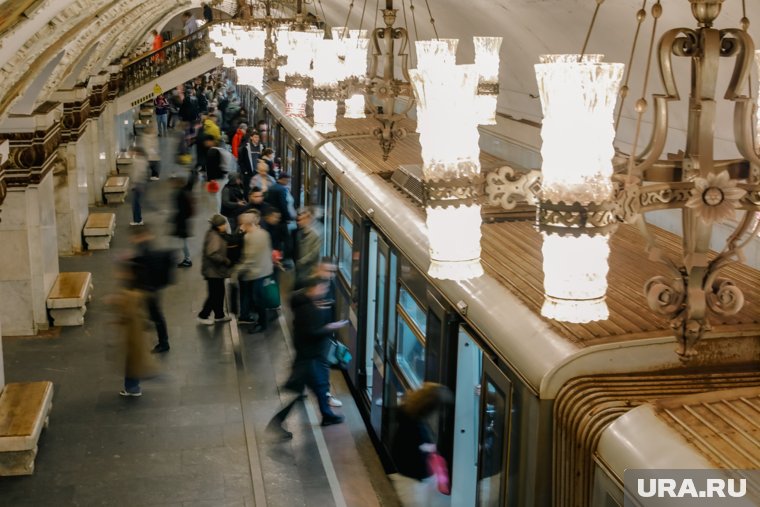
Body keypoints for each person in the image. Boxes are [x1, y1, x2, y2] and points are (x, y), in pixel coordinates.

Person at [266, 278, 347, 439]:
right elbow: (311, 332)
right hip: (308, 359)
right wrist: (329, 327)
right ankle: (277, 422)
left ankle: (327, 415)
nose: (324, 291)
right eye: (322, 288)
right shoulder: (307, 309)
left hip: (308, 357)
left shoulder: (305, 303)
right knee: (305, 391)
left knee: (320, 386)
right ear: (313, 288)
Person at [389, 383, 453, 507]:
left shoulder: (407, 414)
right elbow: (413, 452)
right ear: (429, 408)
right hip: (414, 480)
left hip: (409, 477)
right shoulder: (416, 428)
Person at [129, 226, 171, 353]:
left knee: (157, 317)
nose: (132, 239)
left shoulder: (144, 249)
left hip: (149, 289)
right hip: (150, 288)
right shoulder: (145, 247)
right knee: (154, 315)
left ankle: (164, 343)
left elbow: (145, 267)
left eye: (135, 236)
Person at [236, 211, 274, 331]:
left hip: (255, 273)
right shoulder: (264, 233)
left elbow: (249, 259)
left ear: (247, 224)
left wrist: (236, 271)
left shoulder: (249, 237)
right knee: (260, 298)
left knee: (257, 299)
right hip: (266, 270)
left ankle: (262, 324)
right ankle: (263, 321)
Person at [197, 214, 232, 325]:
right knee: (214, 295)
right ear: (218, 226)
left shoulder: (216, 233)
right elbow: (211, 253)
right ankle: (203, 315)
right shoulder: (215, 237)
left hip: (216, 271)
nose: (226, 226)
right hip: (213, 271)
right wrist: (224, 260)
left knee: (219, 293)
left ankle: (219, 315)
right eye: (224, 224)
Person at [294, 207, 322, 289]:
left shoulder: (315, 233)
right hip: (303, 268)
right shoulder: (301, 231)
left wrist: (301, 261)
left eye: (301, 220)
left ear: (308, 219)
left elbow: (314, 253)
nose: (298, 222)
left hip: (310, 270)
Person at [171, 174, 195, 267]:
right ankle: (186, 258)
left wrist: (176, 219)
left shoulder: (180, 194)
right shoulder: (184, 192)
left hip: (182, 223)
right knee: (182, 242)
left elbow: (182, 210)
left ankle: (187, 260)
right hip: (183, 221)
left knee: (183, 243)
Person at [129, 146, 148, 226]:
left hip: (137, 185)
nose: (129, 153)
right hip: (141, 184)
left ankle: (137, 220)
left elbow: (135, 175)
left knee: (135, 204)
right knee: (137, 203)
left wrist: (133, 185)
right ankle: (138, 219)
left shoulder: (137, 161)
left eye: (130, 152)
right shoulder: (143, 160)